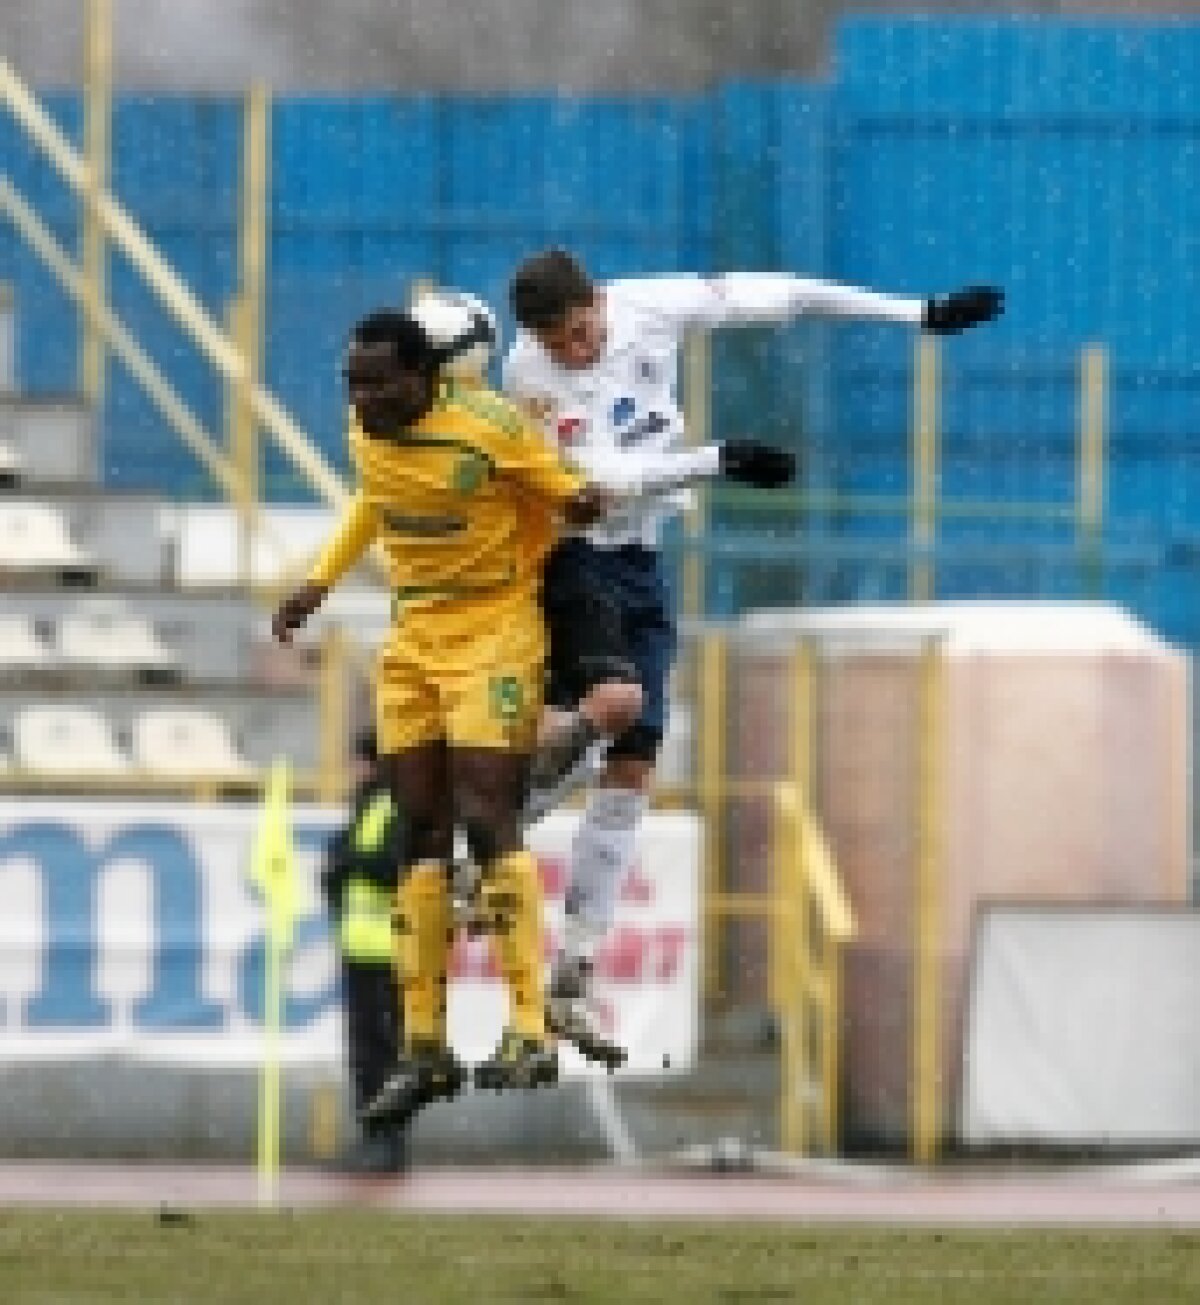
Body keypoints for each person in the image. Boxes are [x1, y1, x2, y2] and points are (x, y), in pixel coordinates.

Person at [502, 249, 1004, 1065]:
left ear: (599, 300)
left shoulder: (650, 305)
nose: (574, 353)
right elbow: (596, 480)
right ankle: (486, 838)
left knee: (631, 765)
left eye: (581, 334)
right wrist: (718, 459)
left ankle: (573, 968)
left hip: (639, 564)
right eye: (559, 344)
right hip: (573, 555)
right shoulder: (527, 371)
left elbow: (789, 294)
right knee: (607, 709)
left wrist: (917, 311)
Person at [273, 306, 625, 1130]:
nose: (361, 397)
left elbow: (569, 494)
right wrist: (319, 580)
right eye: (352, 382)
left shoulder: (490, 428)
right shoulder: (371, 430)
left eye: (378, 381)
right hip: (412, 637)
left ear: (427, 376)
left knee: (486, 815)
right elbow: (375, 498)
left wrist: (584, 500)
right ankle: (425, 1047)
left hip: (495, 632)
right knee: (418, 832)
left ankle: (529, 1027)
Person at [320, 727, 409, 1172]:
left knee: (383, 1050)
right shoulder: (368, 806)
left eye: (359, 760)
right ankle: (373, 1137)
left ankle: (389, 1142)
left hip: (391, 951)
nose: (353, 769)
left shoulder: (398, 806)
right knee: (365, 1051)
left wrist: (349, 860)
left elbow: (394, 867)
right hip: (361, 948)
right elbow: (344, 870)